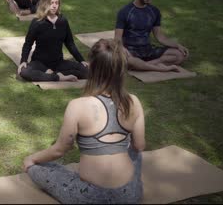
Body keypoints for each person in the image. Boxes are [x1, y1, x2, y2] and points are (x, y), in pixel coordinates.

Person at [23, 39, 145, 204]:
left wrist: (32, 159)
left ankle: (31, 165)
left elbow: (60, 150)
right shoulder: (134, 102)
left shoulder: (77, 106)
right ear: (120, 69)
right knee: (135, 152)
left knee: (37, 168)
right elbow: (139, 146)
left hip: (90, 197)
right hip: (130, 194)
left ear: (91, 67)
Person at [115, 0, 189, 72]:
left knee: (181, 54)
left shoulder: (154, 11)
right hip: (131, 52)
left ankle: (144, 66)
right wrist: (122, 49)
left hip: (148, 50)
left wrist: (177, 45)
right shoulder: (125, 12)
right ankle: (161, 68)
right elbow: (117, 38)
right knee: (128, 60)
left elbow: (160, 37)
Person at [18, 0, 88, 82]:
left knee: (88, 71)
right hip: (39, 64)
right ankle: (58, 77)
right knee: (24, 72)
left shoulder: (63, 21)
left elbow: (70, 43)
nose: (54, 6)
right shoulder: (37, 23)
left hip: (58, 63)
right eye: (51, 3)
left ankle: (54, 74)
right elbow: (28, 44)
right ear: (45, 4)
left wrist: (81, 60)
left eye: (56, 3)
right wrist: (23, 61)